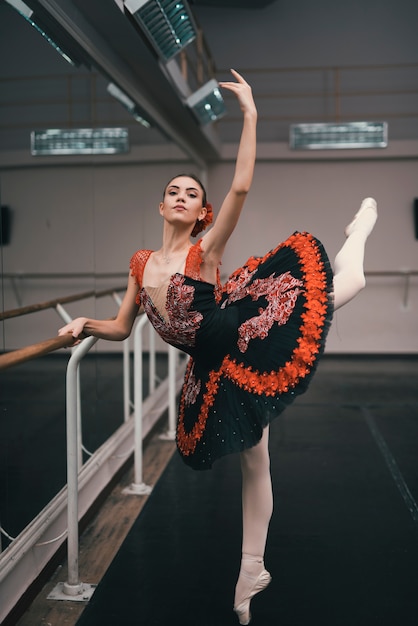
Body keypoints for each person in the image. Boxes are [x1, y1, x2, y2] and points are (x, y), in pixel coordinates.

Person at [58, 69, 377, 625]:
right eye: (173, 192)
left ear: (199, 211)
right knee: (257, 460)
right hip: (208, 367)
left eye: (192, 194)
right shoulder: (139, 263)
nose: (182, 198)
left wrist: (250, 113)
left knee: (341, 289)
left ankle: (360, 235)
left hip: (245, 333)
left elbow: (242, 187)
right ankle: (252, 571)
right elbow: (122, 327)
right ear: (161, 206)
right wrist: (85, 324)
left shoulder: (204, 250)